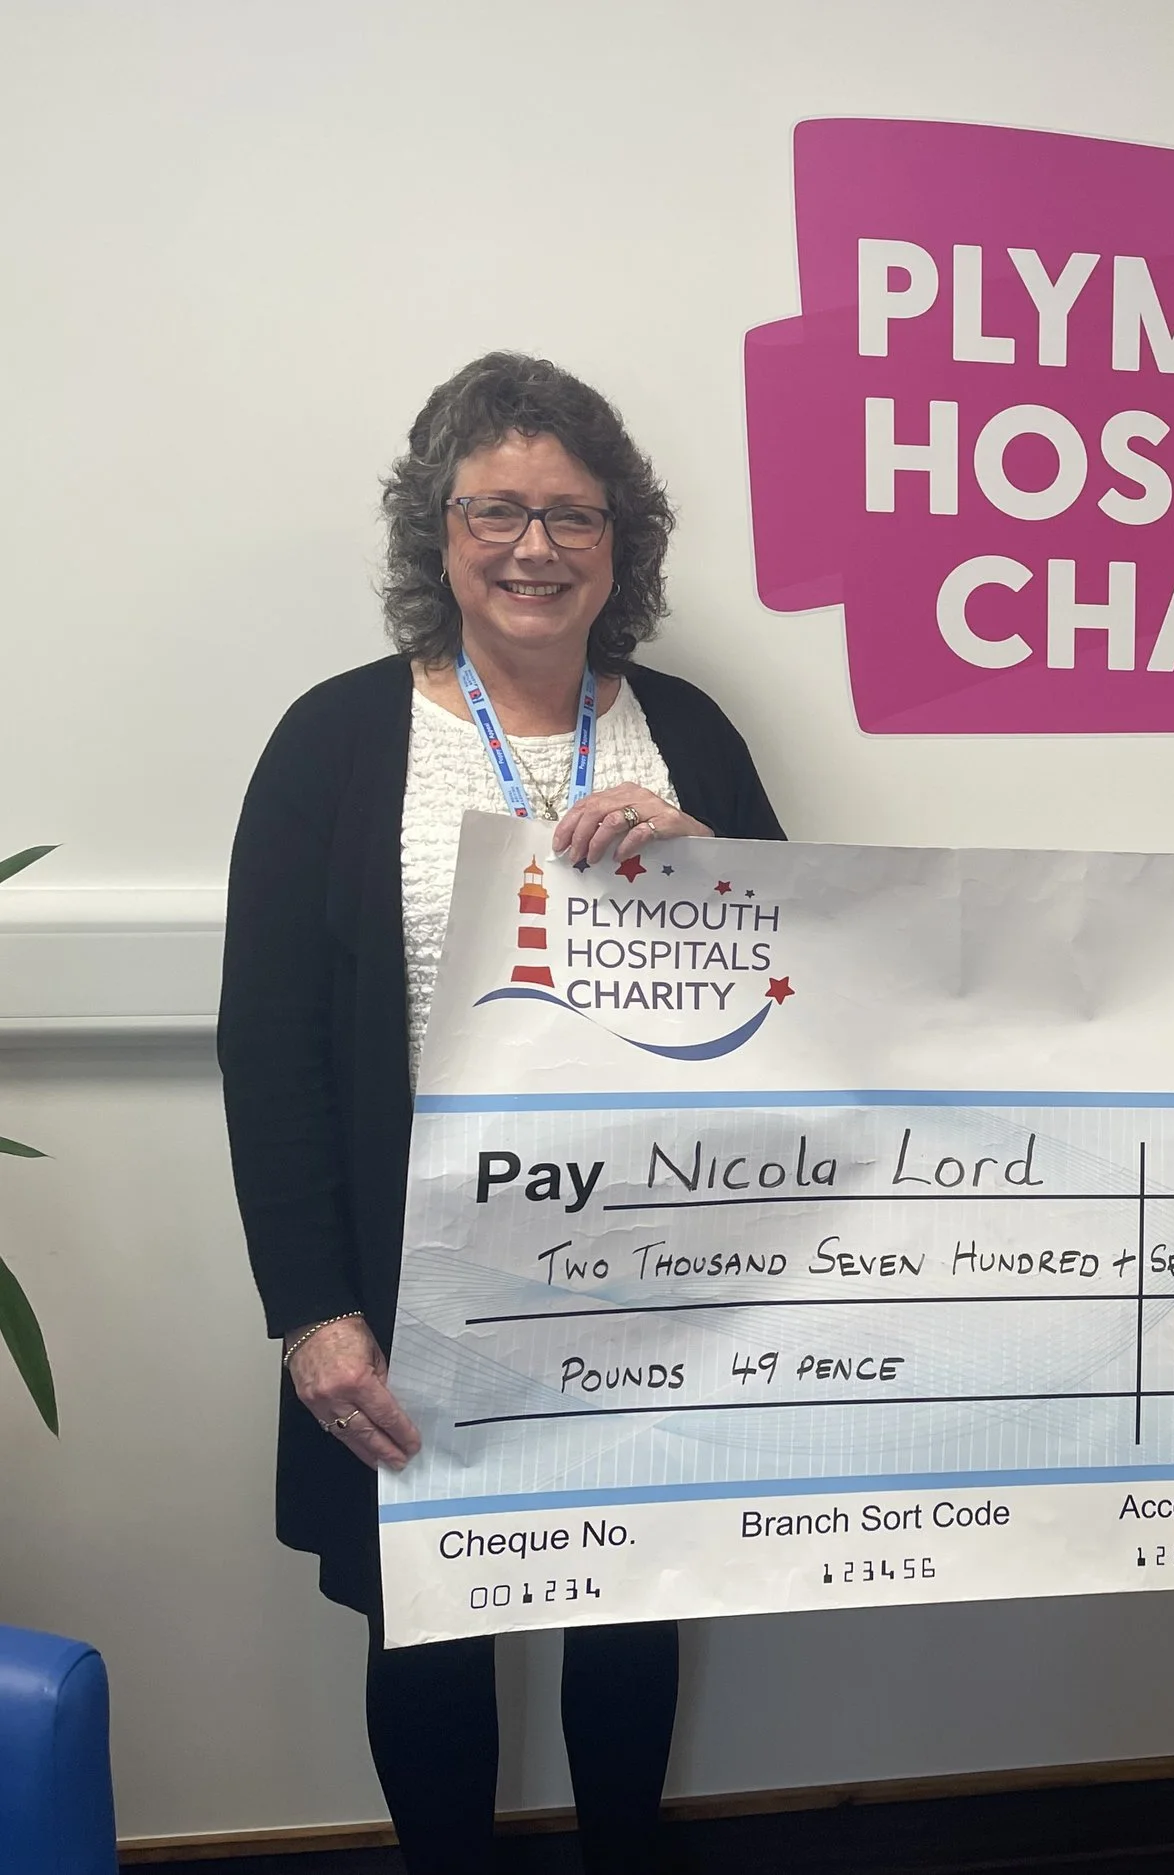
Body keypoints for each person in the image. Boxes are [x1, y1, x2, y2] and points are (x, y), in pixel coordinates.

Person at [220, 352, 784, 1874]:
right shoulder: (332, 743)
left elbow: (808, 982)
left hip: (652, 1283)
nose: (535, 546)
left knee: (631, 1597)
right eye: (496, 509)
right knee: (429, 1627)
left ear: (622, 544)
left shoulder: (694, 736)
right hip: (412, 1286)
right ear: (439, 531)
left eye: (573, 515)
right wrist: (314, 1312)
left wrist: (711, 858)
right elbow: (265, 1048)